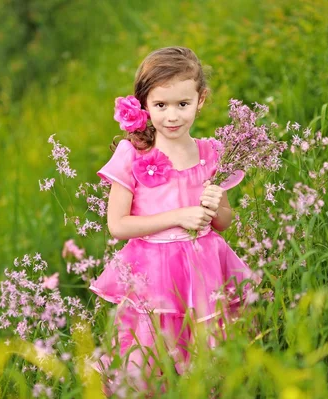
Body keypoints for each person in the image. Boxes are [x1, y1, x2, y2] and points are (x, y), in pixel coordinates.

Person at [89, 46, 258, 393]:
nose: (172, 116)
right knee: (151, 356)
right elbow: (118, 225)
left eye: (183, 104)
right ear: (143, 106)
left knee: (209, 355)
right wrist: (179, 216)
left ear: (201, 99)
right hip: (155, 273)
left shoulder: (211, 152)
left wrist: (215, 206)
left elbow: (223, 221)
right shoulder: (134, 153)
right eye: (160, 105)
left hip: (204, 271)